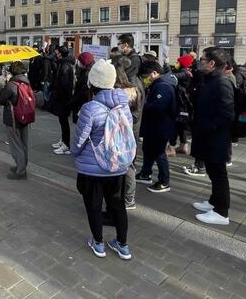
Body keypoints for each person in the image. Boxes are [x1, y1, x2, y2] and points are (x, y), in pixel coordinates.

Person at [72, 59, 134, 260]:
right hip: (117, 166)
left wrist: (75, 152)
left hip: (92, 168)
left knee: (94, 206)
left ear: (92, 82)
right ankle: (122, 245)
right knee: (117, 205)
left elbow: (80, 138)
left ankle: (98, 243)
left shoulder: (90, 107)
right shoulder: (123, 104)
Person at [190, 47, 236, 226]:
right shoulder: (210, 79)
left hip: (216, 138)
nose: (199, 62)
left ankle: (221, 212)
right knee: (212, 172)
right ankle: (214, 201)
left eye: (202, 60)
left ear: (211, 63)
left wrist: (208, 127)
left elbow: (226, 115)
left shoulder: (222, 82)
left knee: (219, 174)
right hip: (207, 136)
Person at [136, 61, 177, 193]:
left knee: (159, 153)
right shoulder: (157, 84)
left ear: (154, 73)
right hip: (153, 126)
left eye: (145, 76)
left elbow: (158, 106)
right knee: (148, 149)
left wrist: (141, 106)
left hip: (161, 126)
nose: (144, 79)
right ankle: (145, 173)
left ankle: (164, 181)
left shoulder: (163, 86)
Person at [110, 56, 143, 209]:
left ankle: (128, 198)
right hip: (128, 131)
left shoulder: (125, 89)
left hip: (125, 132)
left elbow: (134, 114)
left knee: (128, 166)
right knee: (127, 165)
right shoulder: (133, 85)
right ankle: (126, 196)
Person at [0, 61, 33, 180]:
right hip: (26, 117)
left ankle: (21, 171)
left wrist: (3, 87)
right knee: (23, 143)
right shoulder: (26, 83)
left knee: (15, 145)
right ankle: (21, 165)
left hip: (13, 118)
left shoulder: (11, 84)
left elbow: (1, 100)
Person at [50, 46, 75, 155]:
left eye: (57, 52)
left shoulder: (65, 66)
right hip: (63, 97)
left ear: (60, 53)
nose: (55, 53)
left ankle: (66, 144)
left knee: (64, 121)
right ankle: (63, 140)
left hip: (63, 98)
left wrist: (57, 94)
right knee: (62, 121)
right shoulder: (63, 63)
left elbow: (63, 84)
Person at [171, 54, 195, 155]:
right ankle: (183, 145)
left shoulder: (183, 72)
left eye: (178, 62)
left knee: (176, 124)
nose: (176, 63)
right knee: (181, 124)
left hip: (180, 102)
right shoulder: (187, 72)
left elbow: (172, 76)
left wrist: (168, 67)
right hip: (184, 103)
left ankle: (171, 147)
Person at [69, 52, 95, 123]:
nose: (78, 63)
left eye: (80, 61)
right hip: (83, 104)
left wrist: (71, 102)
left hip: (82, 106)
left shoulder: (87, 75)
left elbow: (81, 93)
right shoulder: (87, 71)